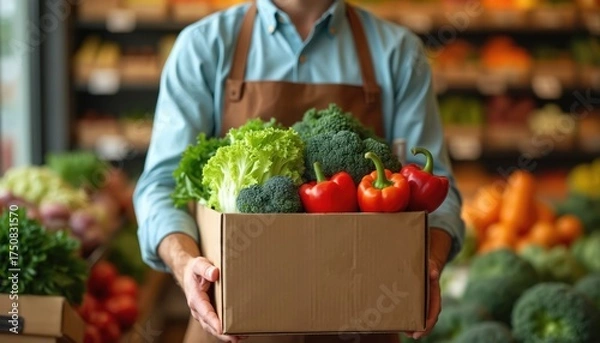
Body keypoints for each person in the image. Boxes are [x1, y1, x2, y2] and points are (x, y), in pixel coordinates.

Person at [133, 0, 465, 342]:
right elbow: (161, 185)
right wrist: (186, 263)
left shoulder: (398, 52)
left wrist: (428, 261)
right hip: (230, 323)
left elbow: (436, 187)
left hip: (363, 318)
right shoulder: (203, 46)